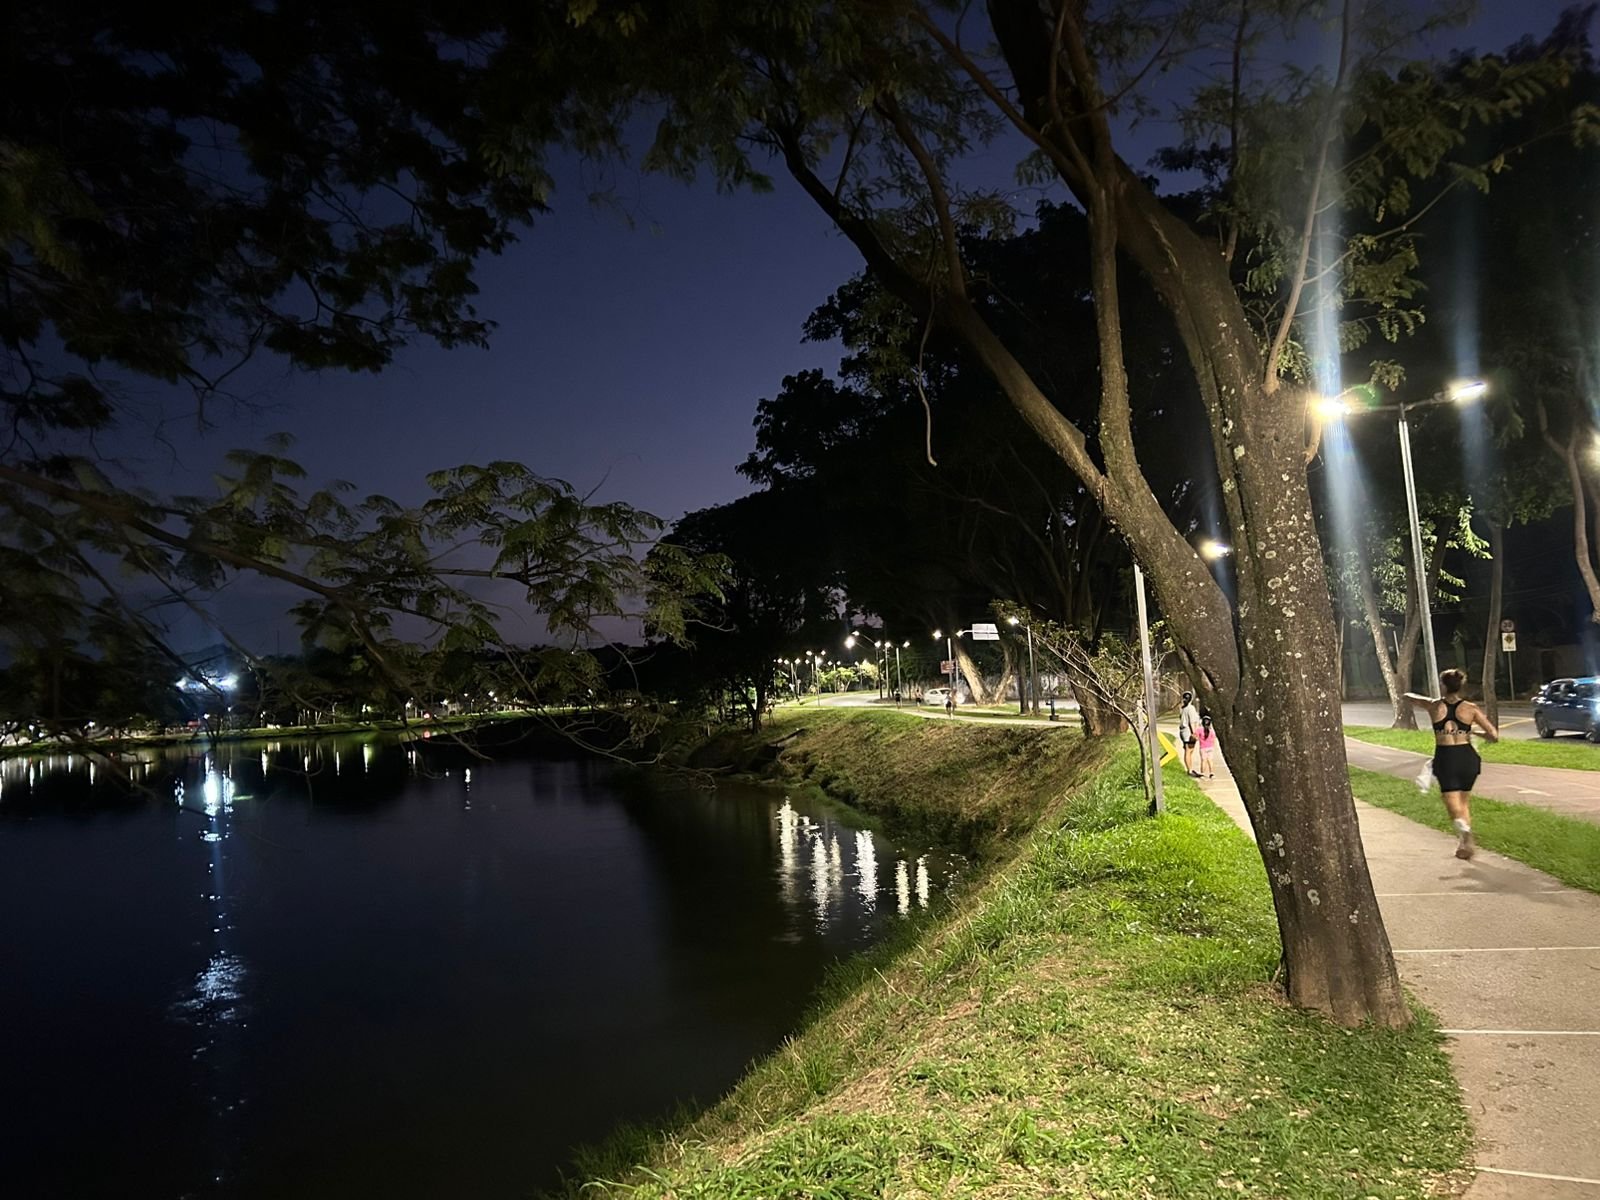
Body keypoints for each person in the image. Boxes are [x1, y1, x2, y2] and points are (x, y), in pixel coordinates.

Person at [1406, 668, 1499, 860]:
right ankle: (1464, 841)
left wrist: (1416, 696)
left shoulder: (1433, 706)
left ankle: (1467, 835)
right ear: (1460, 686)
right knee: (1463, 801)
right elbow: (1494, 736)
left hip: (1447, 758)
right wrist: (1472, 732)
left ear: (1443, 685)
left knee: (1451, 803)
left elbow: (1408, 696)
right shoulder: (1471, 709)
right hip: (1467, 757)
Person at [1178, 691, 1201, 776]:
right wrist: (1194, 733)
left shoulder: (1183, 708)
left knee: (1188, 750)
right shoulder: (1190, 708)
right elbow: (1192, 722)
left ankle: (1190, 768)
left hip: (1183, 732)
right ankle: (1190, 770)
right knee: (1189, 751)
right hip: (1188, 732)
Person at [1196, 713, 1219, 779]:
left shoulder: (1199, 729)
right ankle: (1211, 773)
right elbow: (1213, 739)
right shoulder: (1211, 731)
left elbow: (1196, 736)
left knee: (1203, 761)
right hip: (1210, 747)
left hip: (1203, 748)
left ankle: (1202, 773)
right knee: (1210, 760)